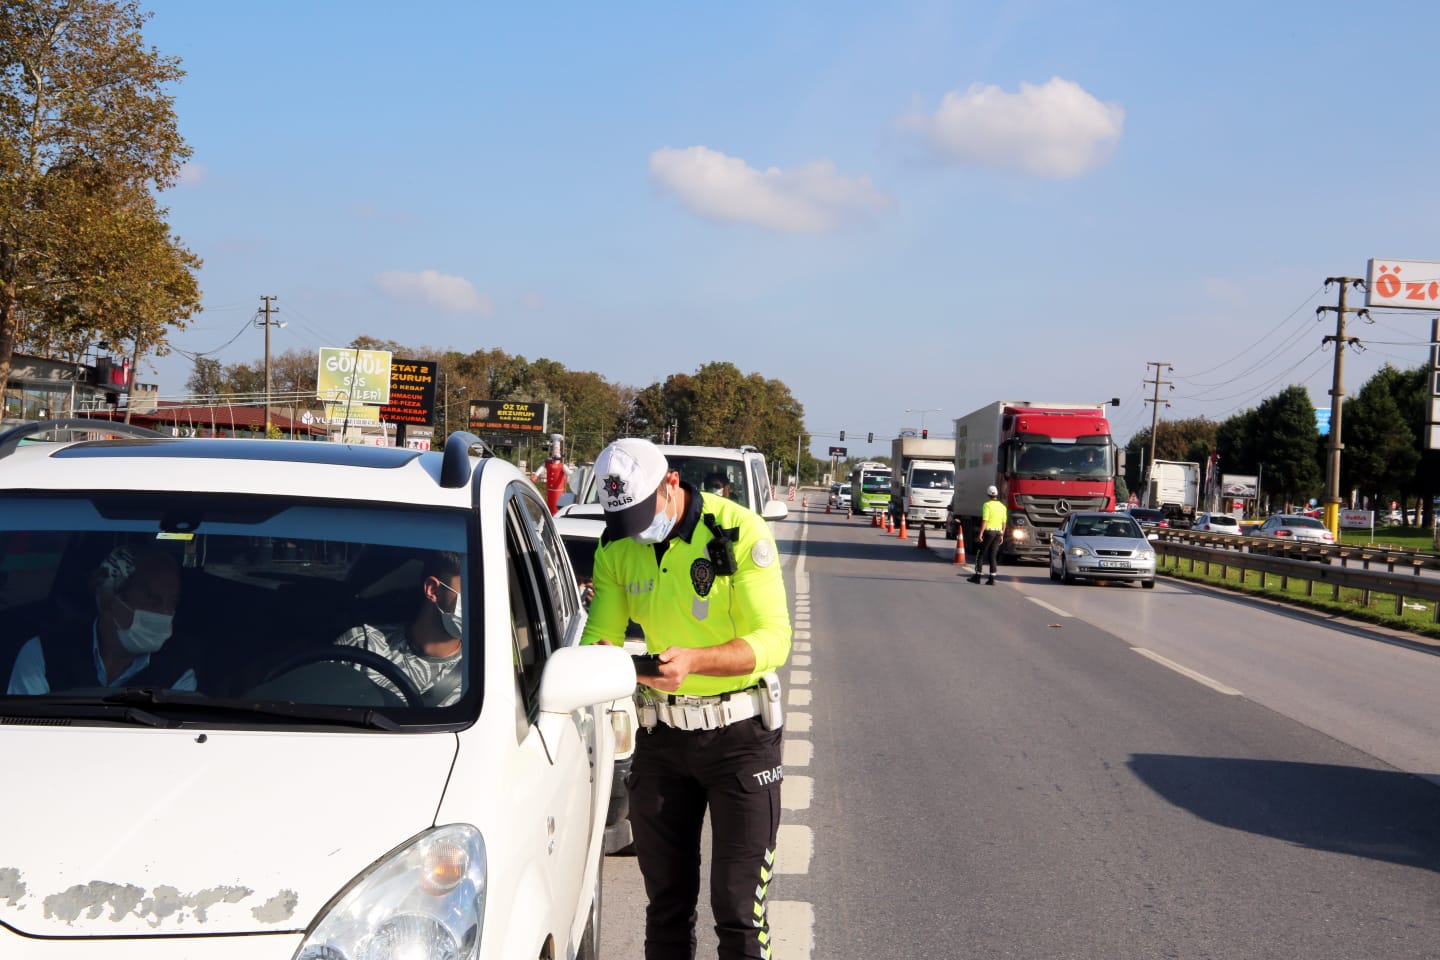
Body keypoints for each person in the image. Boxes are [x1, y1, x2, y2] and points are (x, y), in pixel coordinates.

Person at [581, 438, 791, 960]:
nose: (634, 530)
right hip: (662, 739)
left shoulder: (740, 531)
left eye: (639, 513)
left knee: (740, 912)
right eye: (621, 519)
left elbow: (774, 640)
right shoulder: (615, 546)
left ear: (670, 482)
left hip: (740, 739)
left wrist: (696, 661)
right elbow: (598, 638)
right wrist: (607, 659)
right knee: (667, 906)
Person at [6, 543, 194, 694]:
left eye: (172, 603)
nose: (165, 613)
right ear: (107, 600)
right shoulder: (45, 653)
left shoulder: (178, 671)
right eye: (153, 601)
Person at [334, 551, 465, 706]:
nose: (482, 605)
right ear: (433, 590)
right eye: (471, 593)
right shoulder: (363, 643)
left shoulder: (483, 668)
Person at [968, 484, 1007, 585]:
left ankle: (977, 576)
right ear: (997, 495)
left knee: (980, 554)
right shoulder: (1002, 507)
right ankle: (992, 579)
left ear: (988, 494)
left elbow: (985, 520)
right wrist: (1002, 534)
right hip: (998, 532)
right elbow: (1004, 522)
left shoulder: (987, 505)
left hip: (989, 532)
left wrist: (980, 533)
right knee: (993, 556)